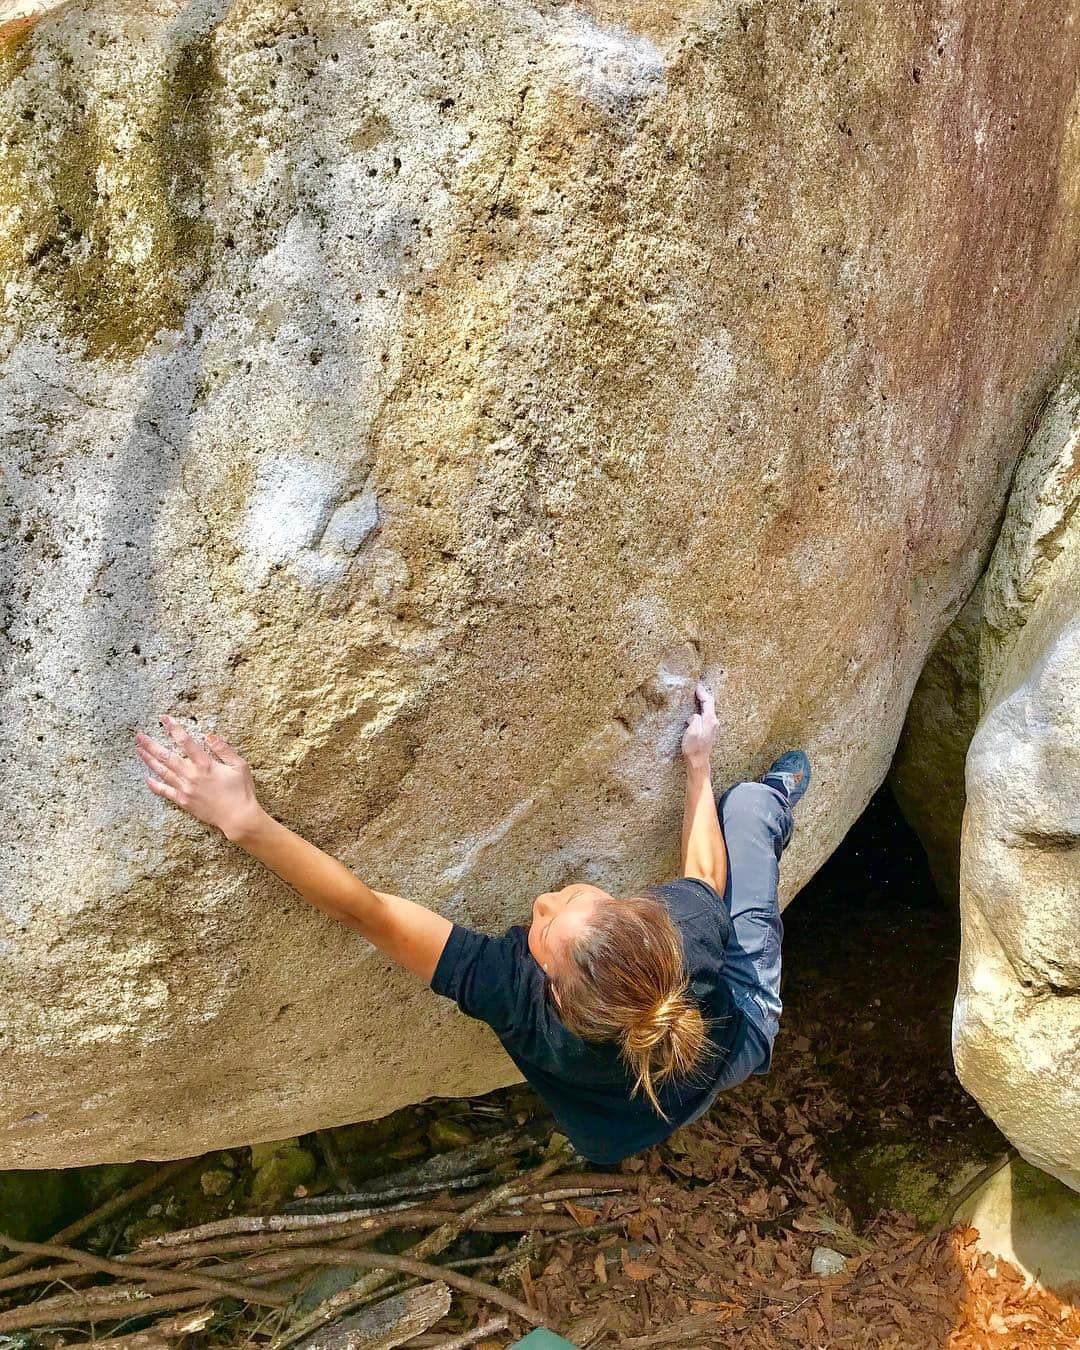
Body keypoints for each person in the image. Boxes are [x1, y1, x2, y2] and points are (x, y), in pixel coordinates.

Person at [134, 683, 809, 1164]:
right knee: (741, 810)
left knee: (748, 808)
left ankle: (771, 797)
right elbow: (703, 873)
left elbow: (365, 911)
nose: (542, 902)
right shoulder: (682, 932)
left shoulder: (511, 995)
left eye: (550, 919)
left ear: (549, 987)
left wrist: (245, 822)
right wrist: (699, 763)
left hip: (630, 1117)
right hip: (732, 1041)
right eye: (568, 898)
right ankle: (767, 798)